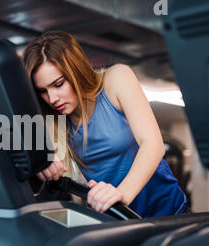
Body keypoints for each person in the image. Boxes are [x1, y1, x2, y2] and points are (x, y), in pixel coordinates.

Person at [23, 31, 187, 218]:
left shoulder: (115, 79)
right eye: (43, 91)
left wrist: (122, 193)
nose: (52, 98)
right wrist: (40, 158)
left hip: (170, 214)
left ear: (76, 72)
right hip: (119, 222)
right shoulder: (55, 119)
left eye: (58, 84)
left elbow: (153, 144)